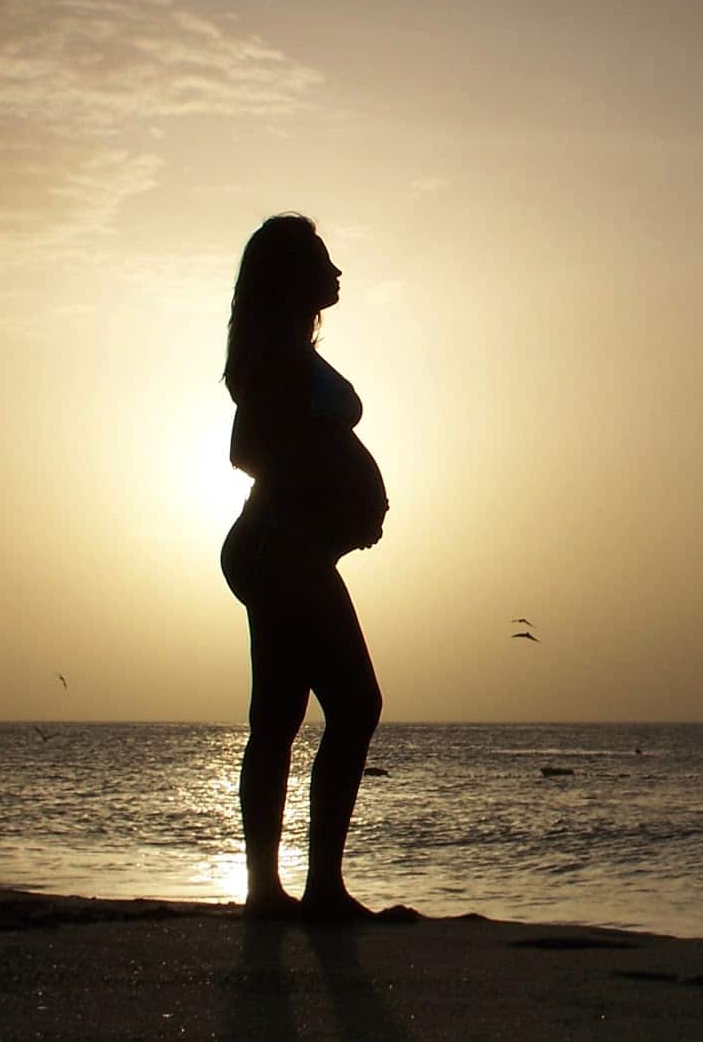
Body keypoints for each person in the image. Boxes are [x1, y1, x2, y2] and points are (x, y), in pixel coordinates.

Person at [219, 213, 390, 922]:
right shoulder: (275, 362)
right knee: (355, 703)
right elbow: (247, 449)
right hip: (280, 544)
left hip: (286, 546)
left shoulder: (287, 350)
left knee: (279, 716)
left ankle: (273, 889)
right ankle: (315, 887)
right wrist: (329, 488)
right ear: (294, 274)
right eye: (324, 259)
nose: (338, 271)